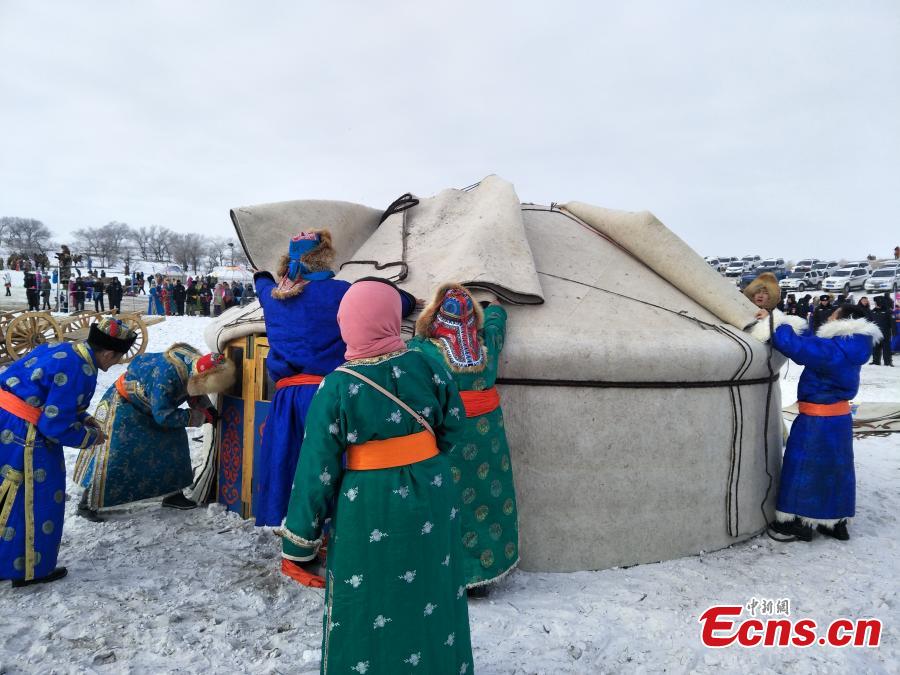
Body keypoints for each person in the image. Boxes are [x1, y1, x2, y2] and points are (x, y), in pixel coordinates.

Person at [279, 279, 474, 675]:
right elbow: (455, 427)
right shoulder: (427, 363)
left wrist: (299, 545)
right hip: (432, 495)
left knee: (367, 598)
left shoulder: (336, 387)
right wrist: (419, 461)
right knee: (431, 589)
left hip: (368, 504)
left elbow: (317, 468)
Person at [0, 318, 134, 586]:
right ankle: (31, 570)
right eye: (117, 358)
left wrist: (82, 416)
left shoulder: (61, 349)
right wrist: (90, 437)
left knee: (8, 491)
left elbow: (43, 390)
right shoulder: (80, 369)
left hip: (6, 421)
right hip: (26, 434)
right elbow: (54, 425)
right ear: (108, 353)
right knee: (37, 498)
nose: (115, 363)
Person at [408, 284, 519, 595]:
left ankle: (450, 571)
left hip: (447, 437)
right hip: (488, 440)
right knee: (487, 498)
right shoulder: (486, 345)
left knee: (448, 502)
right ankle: (484, 570)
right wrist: (495, 305)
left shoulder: (423, 351)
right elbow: (496, 323)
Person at [253, 231, 368, 527]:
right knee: (326, 464)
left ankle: (285, 525)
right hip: (329, 395)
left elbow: (262, 283)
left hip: (288, 399)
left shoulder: (273, 297)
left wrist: (264, 275)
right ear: (323, 257)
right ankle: (332, 528)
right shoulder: (342, 292)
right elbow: (381, 303)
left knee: (286, 460)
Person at [757, 304, 882, 541]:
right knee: (837, 470)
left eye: (834, 314)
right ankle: (835, 523)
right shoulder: (852, 345)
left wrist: (773, 321)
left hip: (817, 420)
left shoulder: (832, 349)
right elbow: (814, 346)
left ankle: (798, 522)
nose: (830, 315)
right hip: (839, 419)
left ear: (843, 320)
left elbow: (794, 346)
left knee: (804, 467)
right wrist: (791, 323)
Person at [74, 346, 235, 519]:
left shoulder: (196, 366)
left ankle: (173, 494)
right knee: (117, 454)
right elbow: (164, 416)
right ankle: (87, 502)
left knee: (175, 446)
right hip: (125, 406)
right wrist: (198, 417)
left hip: (156, 406)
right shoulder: (166, 377)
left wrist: (207, 408)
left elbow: (195, 389)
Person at [870, 296, 895, 366]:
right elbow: (870, 321)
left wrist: (894, 331)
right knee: (876, 347)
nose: (875, 304)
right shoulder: (873, 311)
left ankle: (888, 362)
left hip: (885, 332)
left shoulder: (888, 311)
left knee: (886, 348)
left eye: (876, 303)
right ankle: (875, 361)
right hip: (876, 333)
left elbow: (892, 322)